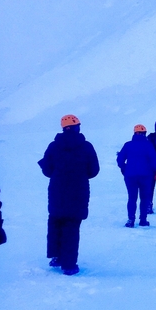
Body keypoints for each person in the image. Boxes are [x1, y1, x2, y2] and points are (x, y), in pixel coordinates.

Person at [38, 114, 100, 275]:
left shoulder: (53, 146)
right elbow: (94, 171)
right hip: (78, 191)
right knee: (72, 226)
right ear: (77, 127)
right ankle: (69, 264)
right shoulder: (86, 146)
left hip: (57, 191)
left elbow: (47, 170)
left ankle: (57, 257)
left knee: (56, 222)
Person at [117, 124, 156, 227]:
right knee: (144, 198)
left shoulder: (128, 145)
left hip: (130, 176)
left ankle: (131, 220)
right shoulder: (148, 145)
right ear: (144, 133)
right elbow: (154, 159)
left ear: (134, 133)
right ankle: (143, 220)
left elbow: (120, 159)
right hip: (146, 176)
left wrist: (125, 168)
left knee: (132, 198)